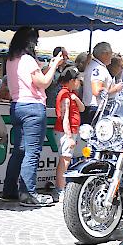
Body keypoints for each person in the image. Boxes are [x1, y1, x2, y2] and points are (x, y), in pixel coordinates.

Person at [2, 27, 64, 207]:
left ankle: (9, 189)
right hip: (33, 107)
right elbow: (43, 83)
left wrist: (46, 67)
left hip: (17, 105)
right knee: (32, 152)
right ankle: (27, 193)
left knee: (19, 150)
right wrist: (53, 66)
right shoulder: (28, 59)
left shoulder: (11, 59)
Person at [53, 66, 84, 200]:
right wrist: (69, 136)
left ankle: (61, 188)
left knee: (66, 159)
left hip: (71, 131)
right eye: (77, 80)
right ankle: (60, 189)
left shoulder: (71, 95)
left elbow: (82, 108)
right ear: (72, 80)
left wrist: (76, 99)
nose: (79, 83)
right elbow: (65, 118)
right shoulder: (65, 95)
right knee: (64, 160)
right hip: (66, 132)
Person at [81, 42, 123, 124]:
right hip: (95, 109)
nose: (111, 56)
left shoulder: (94, 65)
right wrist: (115, 89)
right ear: (104, 54)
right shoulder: (98, 69)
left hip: (92, 108)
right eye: (110, 53)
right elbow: (97, 91)